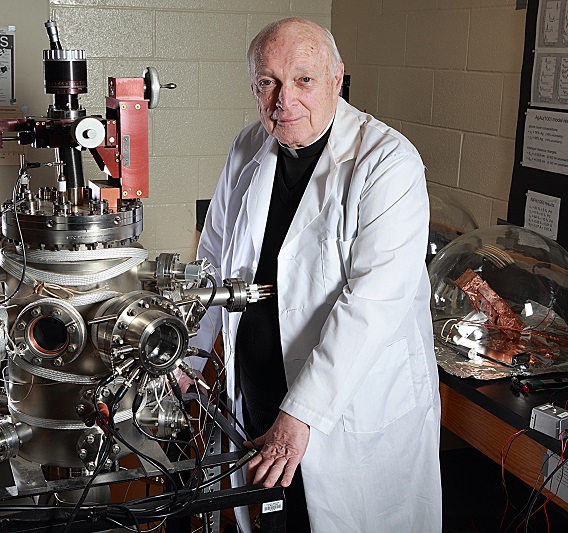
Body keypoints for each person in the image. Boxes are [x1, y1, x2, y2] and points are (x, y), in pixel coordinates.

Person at [190, 17, 442, 532]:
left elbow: (372, 304)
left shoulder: (387, 162)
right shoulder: (245, 150)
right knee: (274, 523)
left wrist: (300, 414)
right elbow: (211, 263)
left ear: (337, 78)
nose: (284, 100)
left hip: (345, 414)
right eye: (268, 82)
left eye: (303, 79)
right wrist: (190, 356)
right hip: (259, 396)